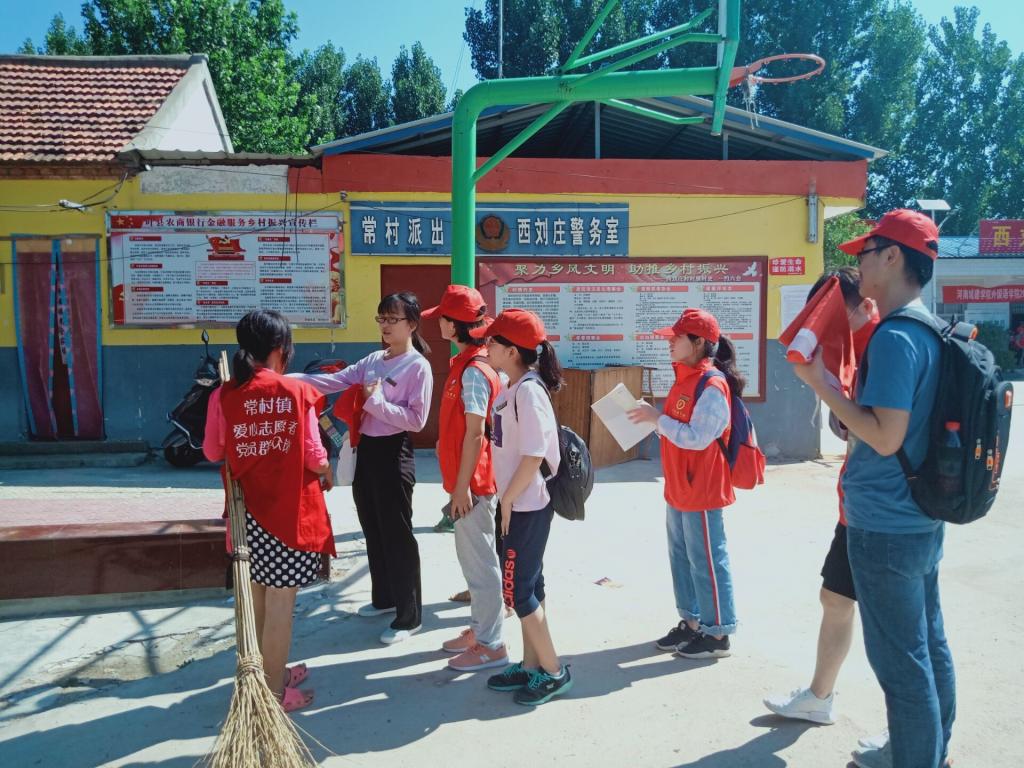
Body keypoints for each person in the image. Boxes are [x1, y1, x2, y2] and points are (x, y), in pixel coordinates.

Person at [791, 209, 954, 768]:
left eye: (864, 253)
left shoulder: (895, 337)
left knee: (902, 664)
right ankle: (930, 752)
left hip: (885, 524)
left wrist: (819, 383)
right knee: (928, 645)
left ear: (892, 257)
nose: (857, 263)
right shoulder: (929, 330)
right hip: (920, 515)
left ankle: (916, 758)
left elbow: (885, 436)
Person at [203, 309, 334, 713]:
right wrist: (328, 469)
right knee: (281, 606)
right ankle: (273, 694)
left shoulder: (224, 394)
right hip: (289, 516)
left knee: (256, 598)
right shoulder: (296, 393)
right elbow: (315, 457)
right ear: (281, 348)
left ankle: (264, 675)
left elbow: (213, 450)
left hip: (248, 517)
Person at [764, 266, 879, 725]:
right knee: (835, 597)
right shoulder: (855, 349)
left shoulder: (886, 346)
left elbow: (884, 433)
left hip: (884, 509)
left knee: (898, 623)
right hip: (857, 503)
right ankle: (819, 696)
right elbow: (852, 425)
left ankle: (917, 737)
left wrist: (819, 384)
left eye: (834, 317)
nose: (829, 331)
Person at [296, 292, 433, 645]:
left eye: (393, 319)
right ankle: (385, 598)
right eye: (381, 318)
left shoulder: (417, 366)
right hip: (366, 451)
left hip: (394, 453)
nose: (385, 326)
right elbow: (335, 381)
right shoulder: (374, 359)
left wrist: (376, 402)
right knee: (372, 526)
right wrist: (285, 380)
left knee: (397, 534)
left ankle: (409, 617)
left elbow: (417, 420)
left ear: (411, 325)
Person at [470, 308, 574, 705]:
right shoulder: (515, 386)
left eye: (492, 341)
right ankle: (532, 666)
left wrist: (508, 500)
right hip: (518, 502)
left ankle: (554, 671)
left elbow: (534, 454)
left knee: (517, 591)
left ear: (512, 351)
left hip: (526, 505)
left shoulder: (529, 392)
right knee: (530, 585)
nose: (486, 346)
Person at [628, 308, 743, 660]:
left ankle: (718, 632)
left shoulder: (712, 385)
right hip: (679, 484)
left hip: (702, 486)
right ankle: (692, 622)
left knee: (707, 558)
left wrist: (657, 419)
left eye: (676, 338)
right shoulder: (684, 379)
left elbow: (697, 437)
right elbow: (675, 429)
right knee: (681, 556)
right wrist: (650, 420)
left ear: (698, 343)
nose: (670, 343)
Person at [421, 285, 508, 672]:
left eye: (442, 317)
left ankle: (491, 645)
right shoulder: (469, 364)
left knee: (481, 565)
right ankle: (480, 630)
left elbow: (476, 434)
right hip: (468, 481)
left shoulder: (474, 371)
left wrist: (460, 489)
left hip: (473, 485)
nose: (437, 322)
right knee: (474, 562)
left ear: (453, 324)